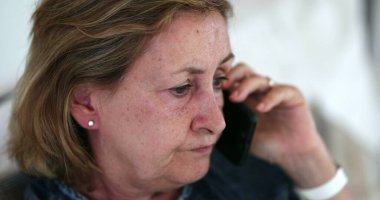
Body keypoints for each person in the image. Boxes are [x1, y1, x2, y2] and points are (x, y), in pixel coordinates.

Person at [7, 0, 352, 199]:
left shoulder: (250, 177)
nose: (217, 121)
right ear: (84, 102)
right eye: (181, 88)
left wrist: (307, 160)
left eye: (218, 79)